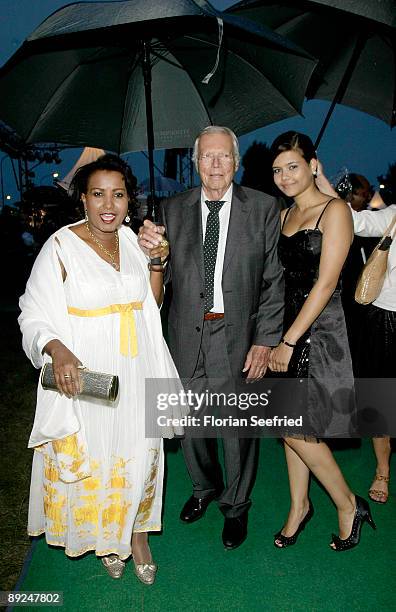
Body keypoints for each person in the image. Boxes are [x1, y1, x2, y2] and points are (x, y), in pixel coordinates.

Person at [18, 154, 181, 585]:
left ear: (130, 200)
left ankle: (140, 535)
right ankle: (108, 537)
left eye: (119, 194)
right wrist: (57, 349)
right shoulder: (60, 247)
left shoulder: (132, 240)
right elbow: (31, 314)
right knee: (102, 453)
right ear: (83, 200)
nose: (109, 204)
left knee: (142, 451)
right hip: (90, 372)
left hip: (140, 361)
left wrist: (158, 261)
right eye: (97, 194)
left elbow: (153, 303)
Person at [138, 125, 284, 550]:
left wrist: (265, 340)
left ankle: (236, 506)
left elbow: (273, 281)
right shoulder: (171, 208)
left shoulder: (262, 207)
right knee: (190, 426)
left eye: (224, 156)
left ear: (236, 162)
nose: (216, 165)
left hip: (237, 333)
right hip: (185, 332)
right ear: (195, 161)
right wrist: (154, 254)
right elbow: (157, 271)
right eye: (207, 156)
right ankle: (205, 488)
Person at [268, 131, 375, 551]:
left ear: (314, 165)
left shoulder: (336, 212)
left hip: (319, 328)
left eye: (293, 166)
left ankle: (348, 503)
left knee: (293, 425)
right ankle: (298, 507)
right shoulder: (283, 215)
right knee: (293, 427)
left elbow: (328, 282)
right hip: (286, 325)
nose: (284, 176)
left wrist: (290, 341)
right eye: (277, 170)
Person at [316, 169, 394, 504]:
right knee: (380, 398)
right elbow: (352, 219)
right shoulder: (394, 216)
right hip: (387, 318)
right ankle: (382, 470)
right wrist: (319, 178)